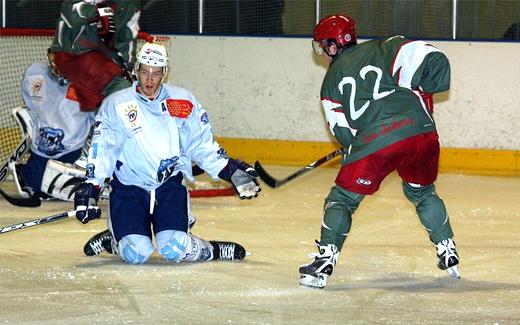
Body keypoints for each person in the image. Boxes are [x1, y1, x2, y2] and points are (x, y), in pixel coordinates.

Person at [298, 14, 459, 288]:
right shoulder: (386, 46)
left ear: (333, 45)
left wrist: (353, 148)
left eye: (323, 45)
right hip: (421, 133)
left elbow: (344, 133)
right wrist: (424, 92)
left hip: (376, 141)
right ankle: (447, 248)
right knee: (422, 192)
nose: (323, 52)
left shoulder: (329, 83)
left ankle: (325, 260)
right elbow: (433, 59)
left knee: (342, 200)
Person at [73, 42, 261, 264]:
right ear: (136, 71)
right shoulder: (116, 104)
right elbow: (103, 148)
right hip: (129, 189)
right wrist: (91, 186)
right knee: (136, 254)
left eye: (155, 73)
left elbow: (201, 145)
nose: (149, 80)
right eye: (144, 72)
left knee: (174, 249)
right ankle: (114, 241)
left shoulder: (183, 102)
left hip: (168, 188)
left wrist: (231, 171)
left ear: (165, 73)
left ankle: (212, 250)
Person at [9, 62, 95, 199]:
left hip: (73, 149)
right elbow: (33, 103)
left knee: (68, 192)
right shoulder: (36, 73)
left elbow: (99, 122)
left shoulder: (90, 83)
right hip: (42, 147)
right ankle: (26, 171)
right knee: (35, 188)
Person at [48, 0, 141, 113]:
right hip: (72, 54)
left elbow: (127, 39)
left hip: (101, 58)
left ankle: (100, 126)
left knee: (129, 89)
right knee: (120, 87)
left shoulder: (130, 5)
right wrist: (98, 12)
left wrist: (129, 68)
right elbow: (69, 12)